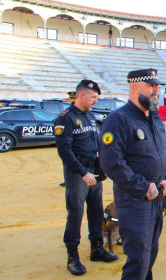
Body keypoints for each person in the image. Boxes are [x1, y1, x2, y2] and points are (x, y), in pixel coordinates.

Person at [99, 68, 166, 280]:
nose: (156, 90)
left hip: (156, 199)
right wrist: (144, 186)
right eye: (151, 86)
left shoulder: (155, 118)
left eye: (157, 86)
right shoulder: (118, 119)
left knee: (149, 257)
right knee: (138, 262)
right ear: (134, 87)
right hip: (135, 201)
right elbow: (111, 163)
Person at [55, 80, 118, 276]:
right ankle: (72, 257)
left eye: (96, 98)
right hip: (78, 174)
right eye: (93, 97)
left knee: (96, 212)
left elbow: (95, 144)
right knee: (75, 214)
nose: (95, 101)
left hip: (93, 172)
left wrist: (101, 167)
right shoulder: (65, 118)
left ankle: (97, 248)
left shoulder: (89, 116)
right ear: (81, 96)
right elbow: (64, 151)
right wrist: (83, 173)